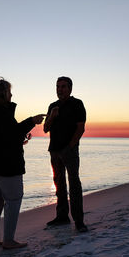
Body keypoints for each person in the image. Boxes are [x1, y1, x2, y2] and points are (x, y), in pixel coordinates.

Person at [0, 77, 45, 250]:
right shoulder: (0, 111)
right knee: (13, 199)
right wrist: (32, 121)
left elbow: (1, 136)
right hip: (5, 164)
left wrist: (18, 139)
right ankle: (8, 240)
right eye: (9, 91)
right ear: (3, 94)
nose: (11, 94)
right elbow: (11, 133)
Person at [43, 76, 88, 233]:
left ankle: (79, 220)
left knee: (74, 183)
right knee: (59, 183)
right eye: (57, 86)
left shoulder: (77, 104)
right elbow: (45, 129)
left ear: (70, 88)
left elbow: (80, 128)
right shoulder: (52, 106)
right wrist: (52, 116)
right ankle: (62, 216)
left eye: (63, 86)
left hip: (69, 150)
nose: (59, 89)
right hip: (54, 150)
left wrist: (70, 146)